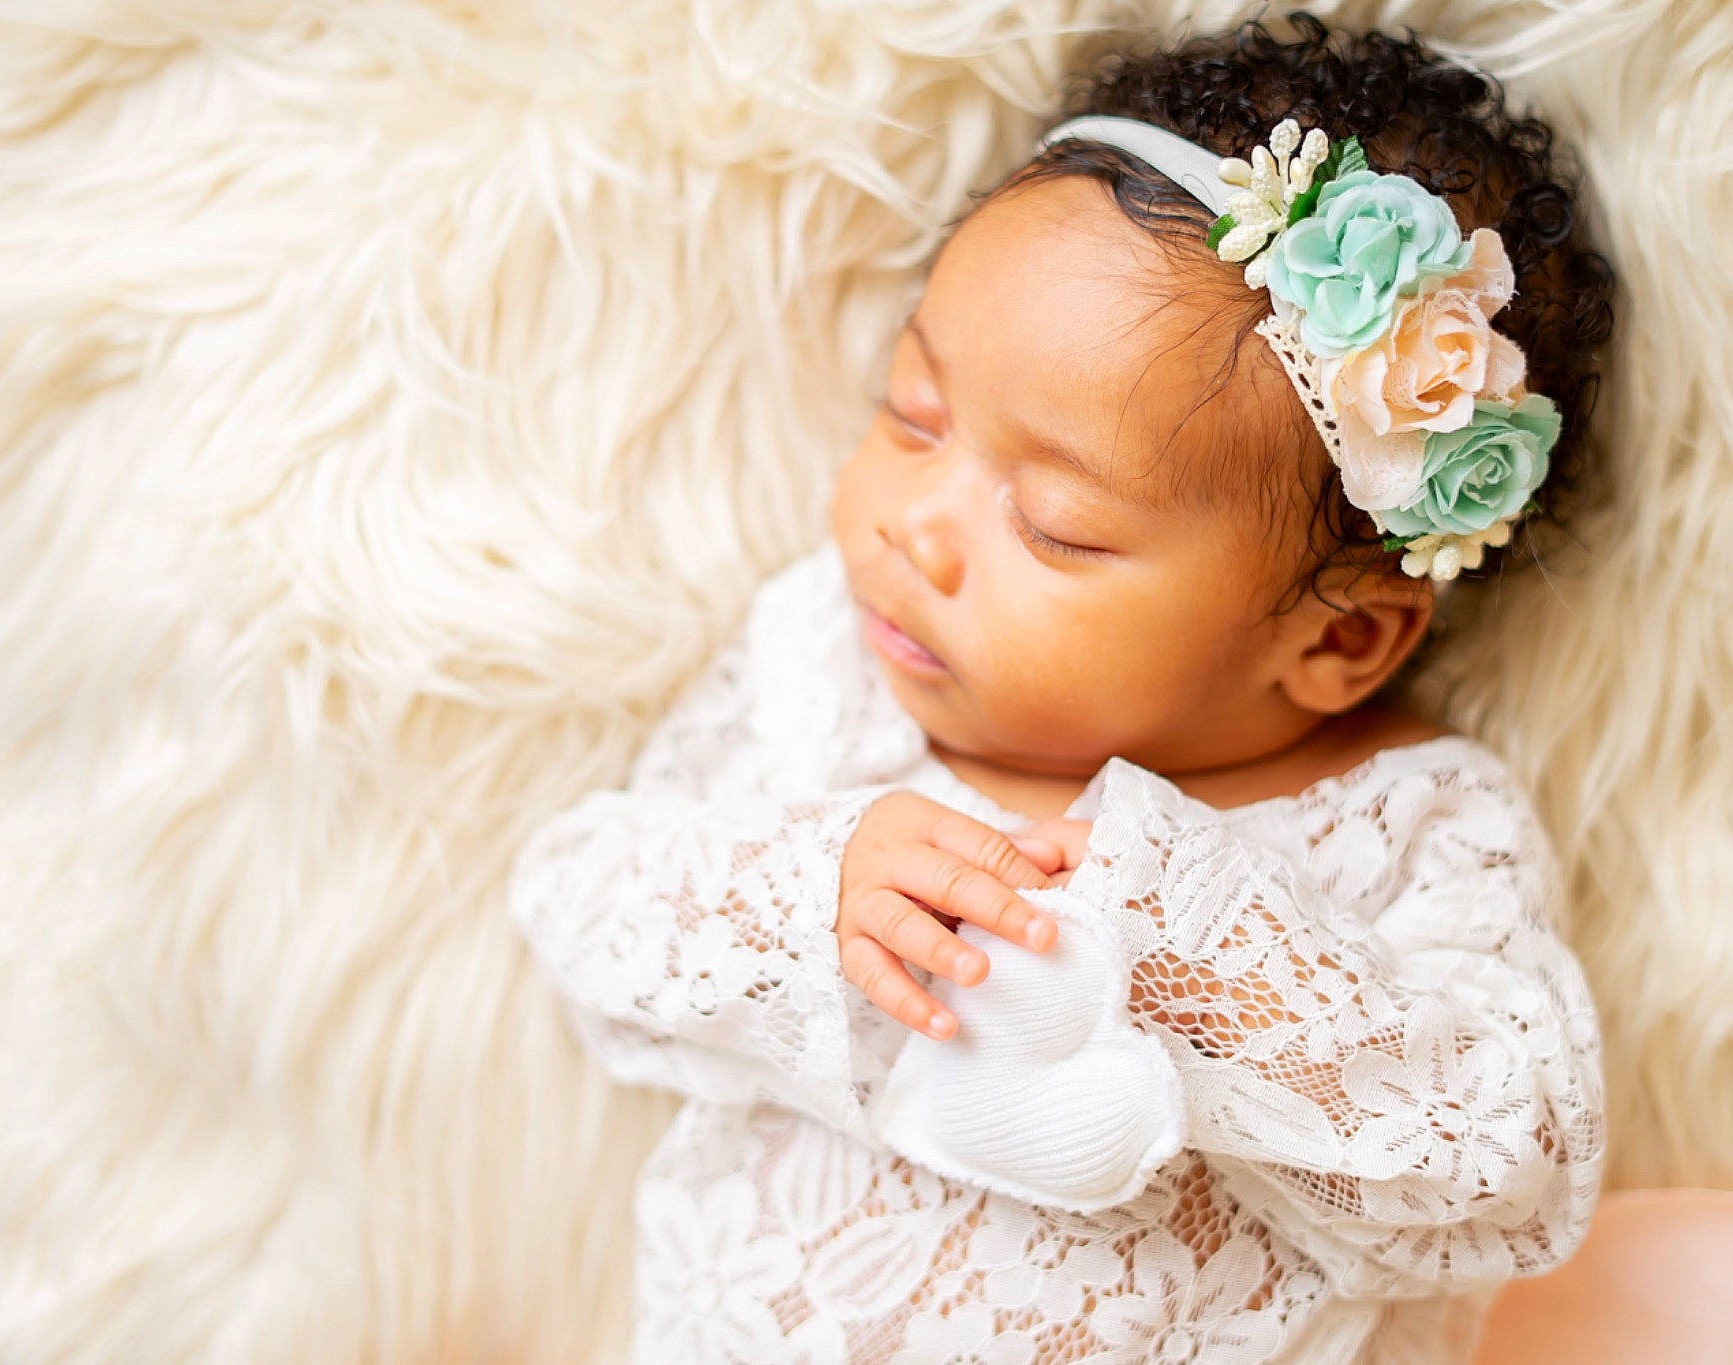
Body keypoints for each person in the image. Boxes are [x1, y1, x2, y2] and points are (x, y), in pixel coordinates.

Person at [509, 12, 1616, 1362]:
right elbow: (583, 898)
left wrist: (1198, 948)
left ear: (1339, 643)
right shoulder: (829, 680)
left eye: (1053, 525)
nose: (915, 525)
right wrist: (814, 889)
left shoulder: (1410, 822)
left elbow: (1508, 1173)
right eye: (913, 413)